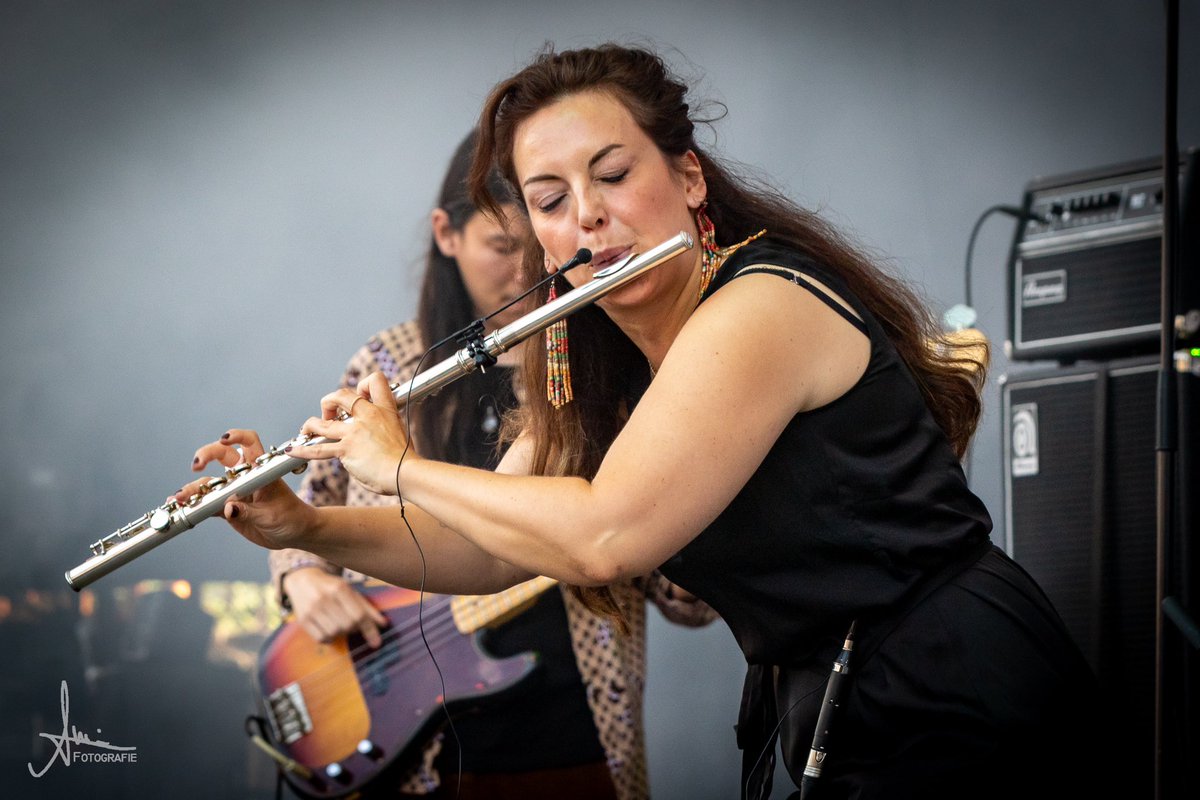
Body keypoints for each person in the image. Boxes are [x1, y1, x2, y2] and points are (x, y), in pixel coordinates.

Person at [185, 44, 1116, 799]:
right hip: (839, 704)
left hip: (956, 690)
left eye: (614, 175)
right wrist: (306, 526)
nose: (588, 216)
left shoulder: (762, 306)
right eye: (550, 201)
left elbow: (602, 539)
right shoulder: (603, 362)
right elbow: (493, 546)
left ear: (689, 178)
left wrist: (397, 462)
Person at [264, 130, 716, 800]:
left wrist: (684, 498)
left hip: (572, 739)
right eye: (502, 248)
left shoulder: (602, 372)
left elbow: (689, 602)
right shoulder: (388, 363)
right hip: (406, 745)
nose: (525, 273)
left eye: (536, 249)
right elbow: (315, 504)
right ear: (446, 234)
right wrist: (300, 577)